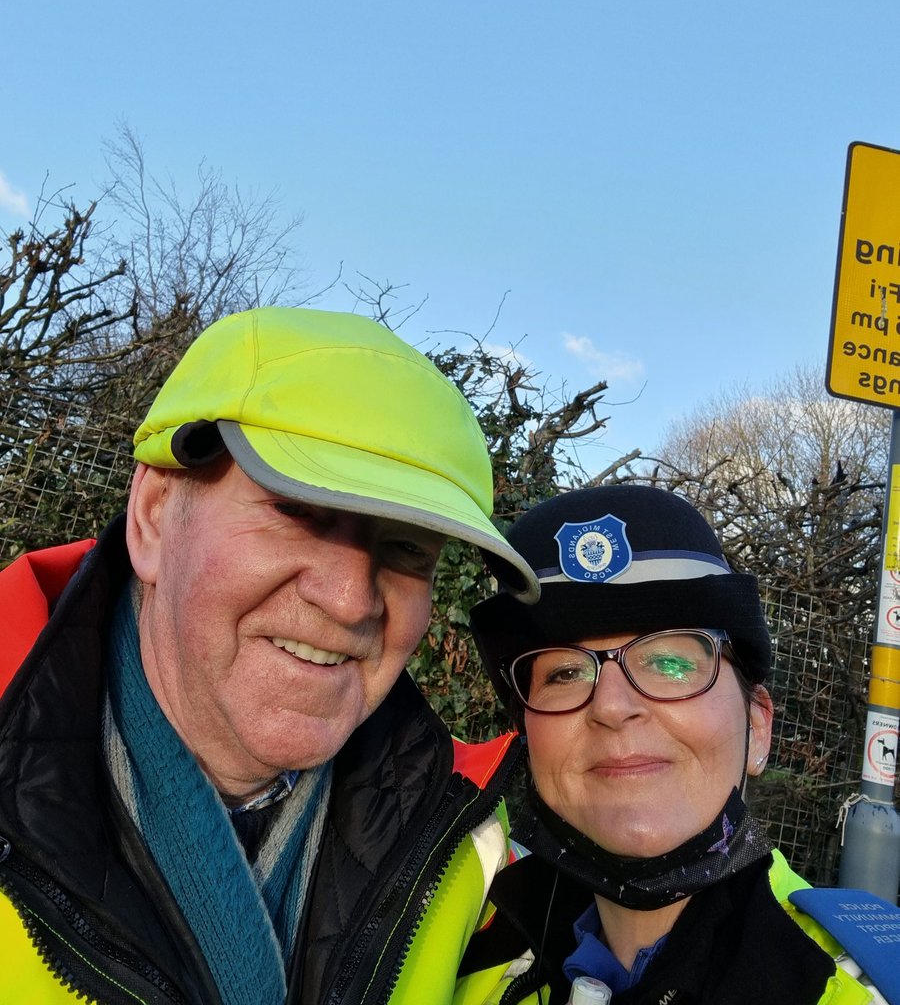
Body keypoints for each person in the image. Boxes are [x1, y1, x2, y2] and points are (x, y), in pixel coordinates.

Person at [0, 306, 540, 1005]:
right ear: (155, 516)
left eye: (406, 548)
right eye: (298, 510)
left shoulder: (469, 851)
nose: (350, 600)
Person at [458, 485, 887, 1005]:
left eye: (671, 663)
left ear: (759, 727)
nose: (612, 708)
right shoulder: (468, 963)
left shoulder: (862, 985)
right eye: (566, 672)